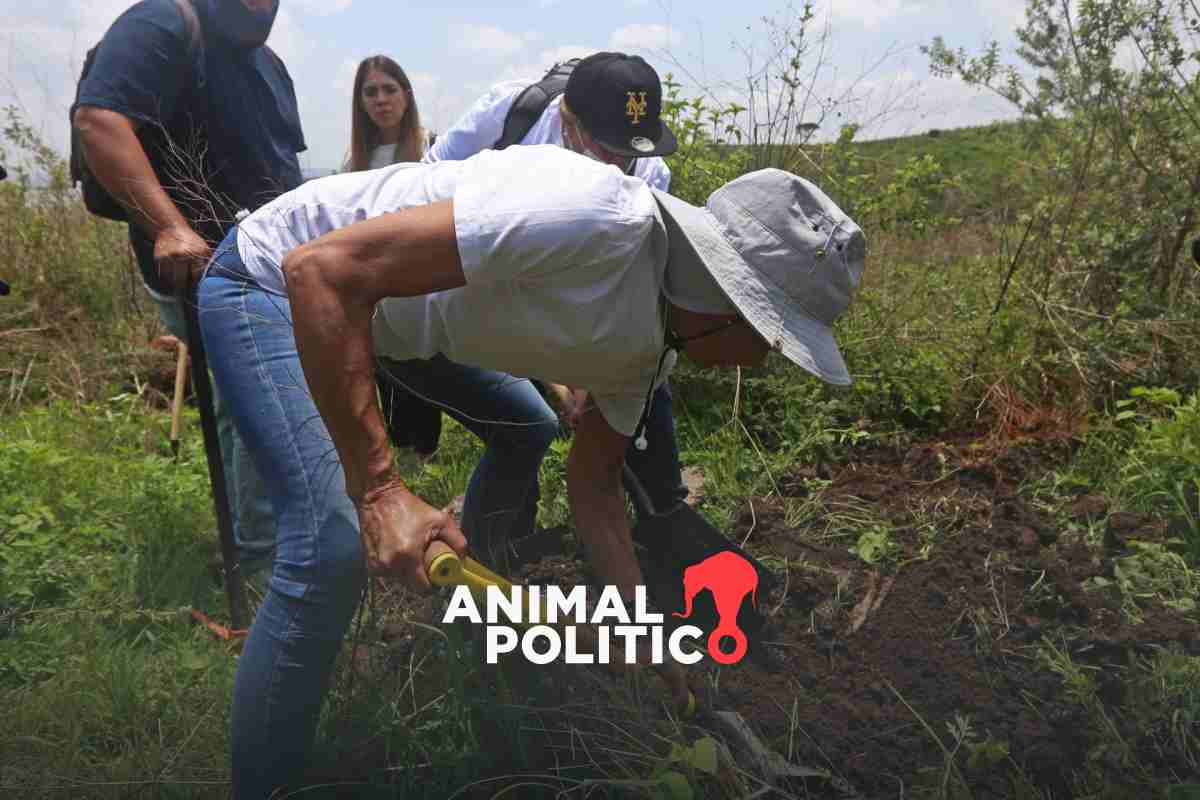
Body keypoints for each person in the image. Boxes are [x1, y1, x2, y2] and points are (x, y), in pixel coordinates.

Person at [197, 143, 865, 797]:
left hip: (378, 319)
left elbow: (596, 484)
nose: (768, 360)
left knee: (525, 428)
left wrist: (637, 627)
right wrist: (380, 491)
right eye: (777, 340)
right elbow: (321, 269)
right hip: (272, 281)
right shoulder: (596, 218)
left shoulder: (651, 353)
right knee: (329, 549)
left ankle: (464, 619)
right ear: (731, 304)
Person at [405, 51, 685, 567]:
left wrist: (592, 379)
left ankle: (662, 520)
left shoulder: (650, 174)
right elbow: (423, 198)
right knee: (524, 425)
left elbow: (622, 288)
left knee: (647, 382)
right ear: (567, 122)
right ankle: (497, 554)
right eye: (606, 149)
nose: (617, 164)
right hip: (465, 287)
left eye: (628, 151)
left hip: (565, 302)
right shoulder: (512, 115)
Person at [71, 0, 305, 580]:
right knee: (261, 403)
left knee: (249, 405)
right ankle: (268, 563)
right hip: (203, 270)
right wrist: (171, 227)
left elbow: (279, 168)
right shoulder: (165, 22)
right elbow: (99, 120)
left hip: (273, 267)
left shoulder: (271, 67)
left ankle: (272, 545)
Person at [342, 54, 444, 458]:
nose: (381, 99)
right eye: (371, 92)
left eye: (389, 89)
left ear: (406, 95)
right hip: (377, 289)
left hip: (429, 282)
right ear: (361, 102)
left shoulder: (433, 146)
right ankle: (414, 462)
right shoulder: (354, 163)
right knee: (395, 383)